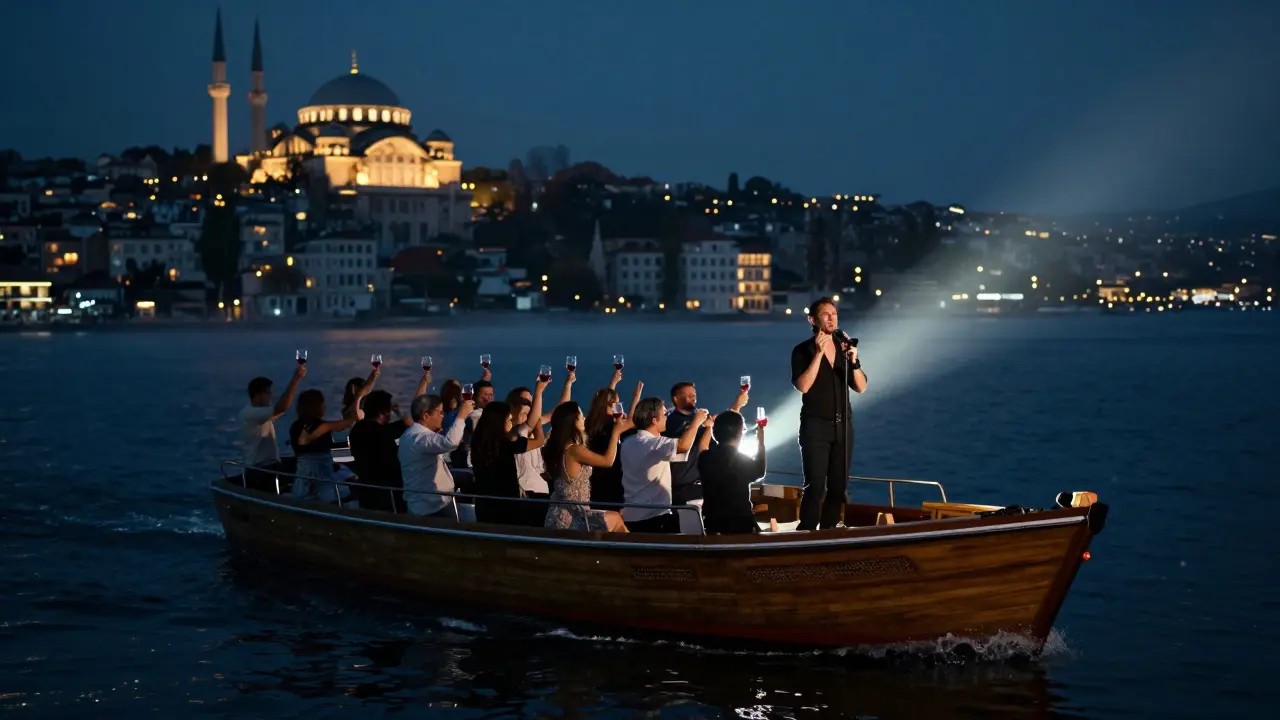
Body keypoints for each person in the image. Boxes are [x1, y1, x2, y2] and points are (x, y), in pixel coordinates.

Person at [790, 296, 868, 531]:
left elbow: (861, 386)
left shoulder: (844, 346)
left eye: (834, 313)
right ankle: (806, 533)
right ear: (812, 320)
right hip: (815, 426)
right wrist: (818, 354)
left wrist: (853, 361)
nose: (832, 317)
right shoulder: (802, 350)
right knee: (815, 486)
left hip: (843, 425)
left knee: (838, 487)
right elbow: (803, 385)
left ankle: (828, 532)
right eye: (826, 314)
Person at [619, 397, 708, 533]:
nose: (667, 417)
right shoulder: (653, 444)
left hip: (630, 515)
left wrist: (706, 428)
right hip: (653, 517)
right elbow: (683, 446)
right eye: (665, 414)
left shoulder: (627, 443)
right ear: (655, 420)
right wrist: (696, 421)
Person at [542, 402, 632, 532]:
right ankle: (637, 551)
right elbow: (607, 461)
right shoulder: (574, 450)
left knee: (616, 521)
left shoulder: (559, 449)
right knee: (617, 518)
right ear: (573, 421)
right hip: (573, 518)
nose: (584, 419)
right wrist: (615, 434)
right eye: (581, 416)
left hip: (559, 514)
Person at [470, 376, 549, 525]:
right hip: (506, 507)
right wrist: (537, 420)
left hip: (484, 505)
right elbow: (539, 441)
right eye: (507, 419)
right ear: (499, 422)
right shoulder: (507, 444)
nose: (510, 421)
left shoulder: (477, 442)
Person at [664, 381, 748, 506]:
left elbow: (724, 433)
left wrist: (736, 410)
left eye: (694, 395)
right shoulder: (671, 422)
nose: (693, 398)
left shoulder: (701, 417)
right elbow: (686, 440)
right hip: (681, 488)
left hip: (702, 484)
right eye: (689, 395)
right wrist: (735, 407)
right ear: (676, 399)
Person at [398, 393, 473, 518]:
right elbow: (450, 443)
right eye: (440, 412)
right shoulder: (420, 438)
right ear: (426, 415)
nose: (442, 416)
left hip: (419, 504)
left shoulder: (410, 434)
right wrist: (462, 415)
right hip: (433, 507)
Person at [697, 410, 767, 534]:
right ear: (740, 434)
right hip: (740, 523)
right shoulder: (744, 461)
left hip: (713, 523)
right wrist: (760, 440)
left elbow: (702, 448)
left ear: (715, 433)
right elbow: (760, 470)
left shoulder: (706, 458)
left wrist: (708, 427)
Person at [238, 364, 305, 492]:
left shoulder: (259, 413)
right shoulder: (251, 413)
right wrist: (296, 378)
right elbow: (281, 408)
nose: (271, 397)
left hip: (269, 467)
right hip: (261, 471)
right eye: (268, 393)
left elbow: (280, 410)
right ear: (259, 395)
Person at [289, 389, 358, 503]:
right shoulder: (320, 426)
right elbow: (345, 424)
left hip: (302, 480)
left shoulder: (295, 426)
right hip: (322, 481)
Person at [348, 390, 412, 511]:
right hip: (388, 490)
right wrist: (399, 412)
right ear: (384, 411)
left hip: (366, 487)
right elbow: (408, 424)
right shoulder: (383, 433)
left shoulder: (357, 428)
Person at [583, 381, 644, 507]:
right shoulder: (612, 427)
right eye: (615, 404)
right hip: (612, 477)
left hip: (595, 477)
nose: (617, 407)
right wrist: (636, 397)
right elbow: (632, 421)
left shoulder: (588, 424)